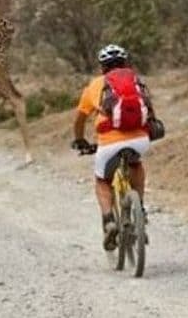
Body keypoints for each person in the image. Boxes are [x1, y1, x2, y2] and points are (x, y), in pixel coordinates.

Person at [71, 44, 161, 251]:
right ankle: (140, 209)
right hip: (139, 139)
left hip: (109, 143)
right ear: (126, 63)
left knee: (102, 180)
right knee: (136, 164)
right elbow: (149, 110)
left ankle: (109, 220)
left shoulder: (94, 86)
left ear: (102, 67)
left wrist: (80, 140)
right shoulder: (135, 80)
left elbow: (79, 120)